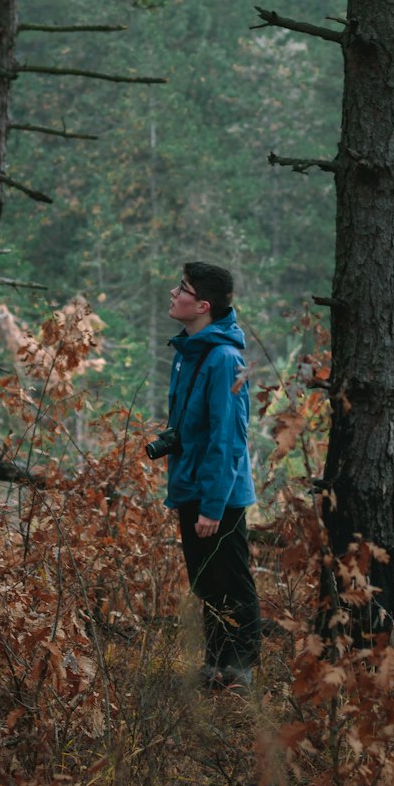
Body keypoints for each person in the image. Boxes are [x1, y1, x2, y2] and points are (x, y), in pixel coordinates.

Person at [159, 261, 261, 691]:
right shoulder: (190, 353)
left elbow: (230, 437)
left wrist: (213, 503)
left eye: (181, 288)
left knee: (232, 583)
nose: (173, 293)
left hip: (219, 496)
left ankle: (239, 669)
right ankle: (216, 664)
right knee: (206, 584)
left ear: (202, 305)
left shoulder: (222, 359)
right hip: (192, 489)